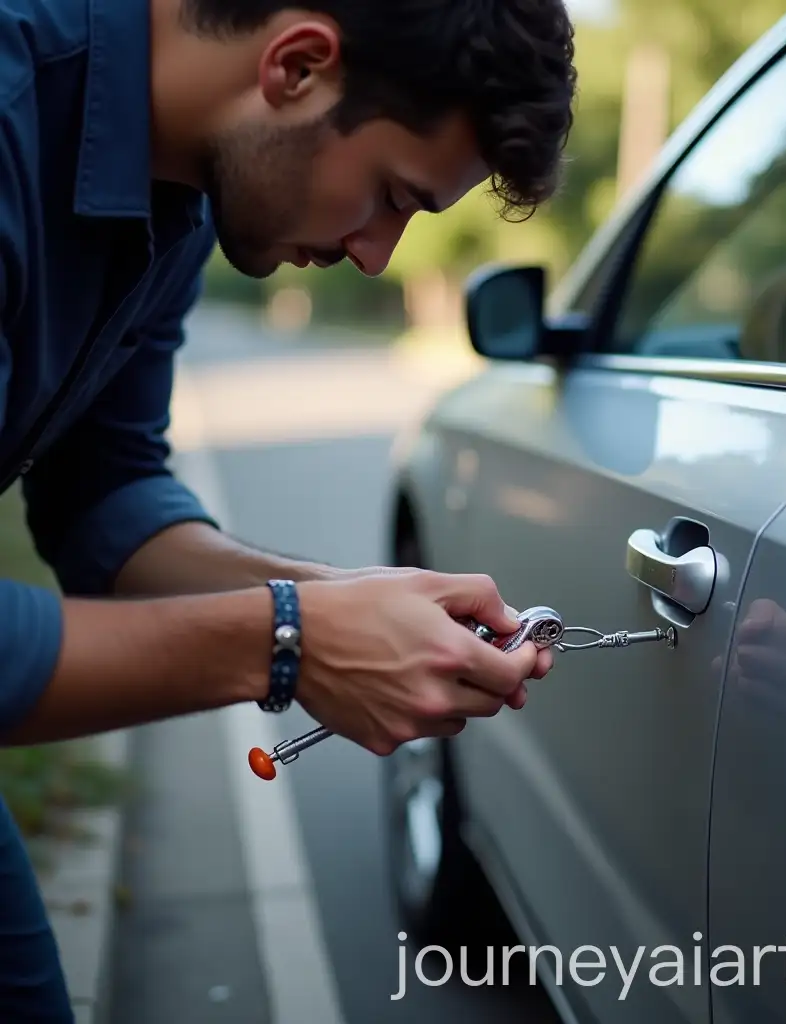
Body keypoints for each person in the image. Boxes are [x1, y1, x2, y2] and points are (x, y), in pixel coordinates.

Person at [0, 0, 577, 1016]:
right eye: (391, 196)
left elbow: (105, 497)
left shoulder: (180, 184)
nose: (375, 256)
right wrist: (287, 641)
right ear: (297, 67)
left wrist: (340, 600)